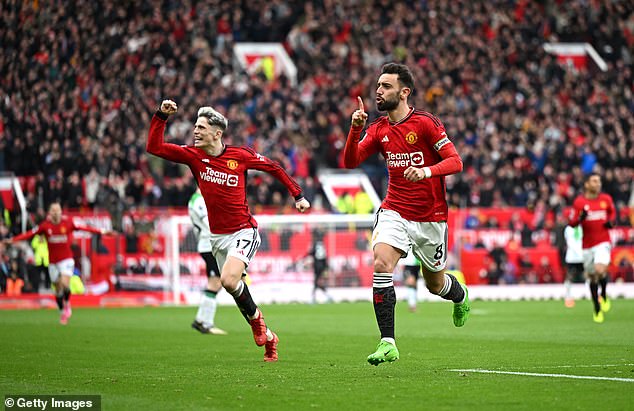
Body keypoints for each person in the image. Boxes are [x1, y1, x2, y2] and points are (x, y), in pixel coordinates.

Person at [147, 99, 310, 362]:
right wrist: (161, 117)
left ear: (217, 133)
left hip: (244, 231)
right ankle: (268, 336)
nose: (195, 132)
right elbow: (154, 147)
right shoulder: (193, 155)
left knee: (229, 280)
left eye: (200, 127)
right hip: (217, 237)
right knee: (233, 288)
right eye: (195, 127)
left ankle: (257, 324)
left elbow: (274, 167)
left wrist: (298, 195)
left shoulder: (239, 156)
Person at [343, 63, 469, 366]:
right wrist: (355, 129)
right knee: (381, 261)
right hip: (395, 210)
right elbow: (350, 161)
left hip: (431, 217)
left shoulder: (425, 123)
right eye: (377, 86)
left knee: (435, 285)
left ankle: (460, 295)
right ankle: (388, 342)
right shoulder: (378, 129)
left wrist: (426, 171)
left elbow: (456, 162)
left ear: (404, 92)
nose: (378, 91)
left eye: (385, 86)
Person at [3, 202, 108, 324]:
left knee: (65, 283)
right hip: (52, 262)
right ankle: (62, 311)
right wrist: (13, 240)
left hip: (66, 259)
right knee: (58, 290)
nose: (55, 213)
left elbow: (85, 228)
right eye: (53, 210)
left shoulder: (68, 223)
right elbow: (29, 234)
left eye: (57, 210)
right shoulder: (45, 226)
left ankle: (67, 303)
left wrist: (102, 231)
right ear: (50, 213)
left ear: (60, 212)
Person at [568, 173, 616, 323]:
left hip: (603, 241)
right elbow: (572, 222)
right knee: (592, 276)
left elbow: (613, 213)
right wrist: (580, 218)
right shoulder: (579, 202)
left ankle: (604, 295)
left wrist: (611, 222)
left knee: (600, 269)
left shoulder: (606, 199)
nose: (598, 184)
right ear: (587, 185)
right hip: (587, 245)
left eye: (599, 181)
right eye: (594, 181)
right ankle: (596, 307)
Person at [189, 188, 227, 335]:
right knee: (216, 283)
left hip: (208, 244)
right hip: (209, 245)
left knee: (216, 283)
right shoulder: (198, 200)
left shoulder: (198, 199)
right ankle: (206, 323)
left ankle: (200, 320)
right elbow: (209, 223)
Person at [306, 228, 333, 304]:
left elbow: (311, 253)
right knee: (317, 283)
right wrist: (326, 266)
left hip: (317, 266)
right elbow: (324, 255)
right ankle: (327, 296)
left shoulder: (315, 243)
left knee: (316, 282)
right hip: (323, 265)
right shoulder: (321, 243)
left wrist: (305, 255)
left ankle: (313, 299)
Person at [563, 224, 583, 307]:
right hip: (572, 257)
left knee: (589, 275)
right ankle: (568, 297)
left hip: (583, 255)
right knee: (570, 276)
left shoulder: (582, 227)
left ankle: (596, 294)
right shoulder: (568, 229)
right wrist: (580, 252)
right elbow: (569, 242)